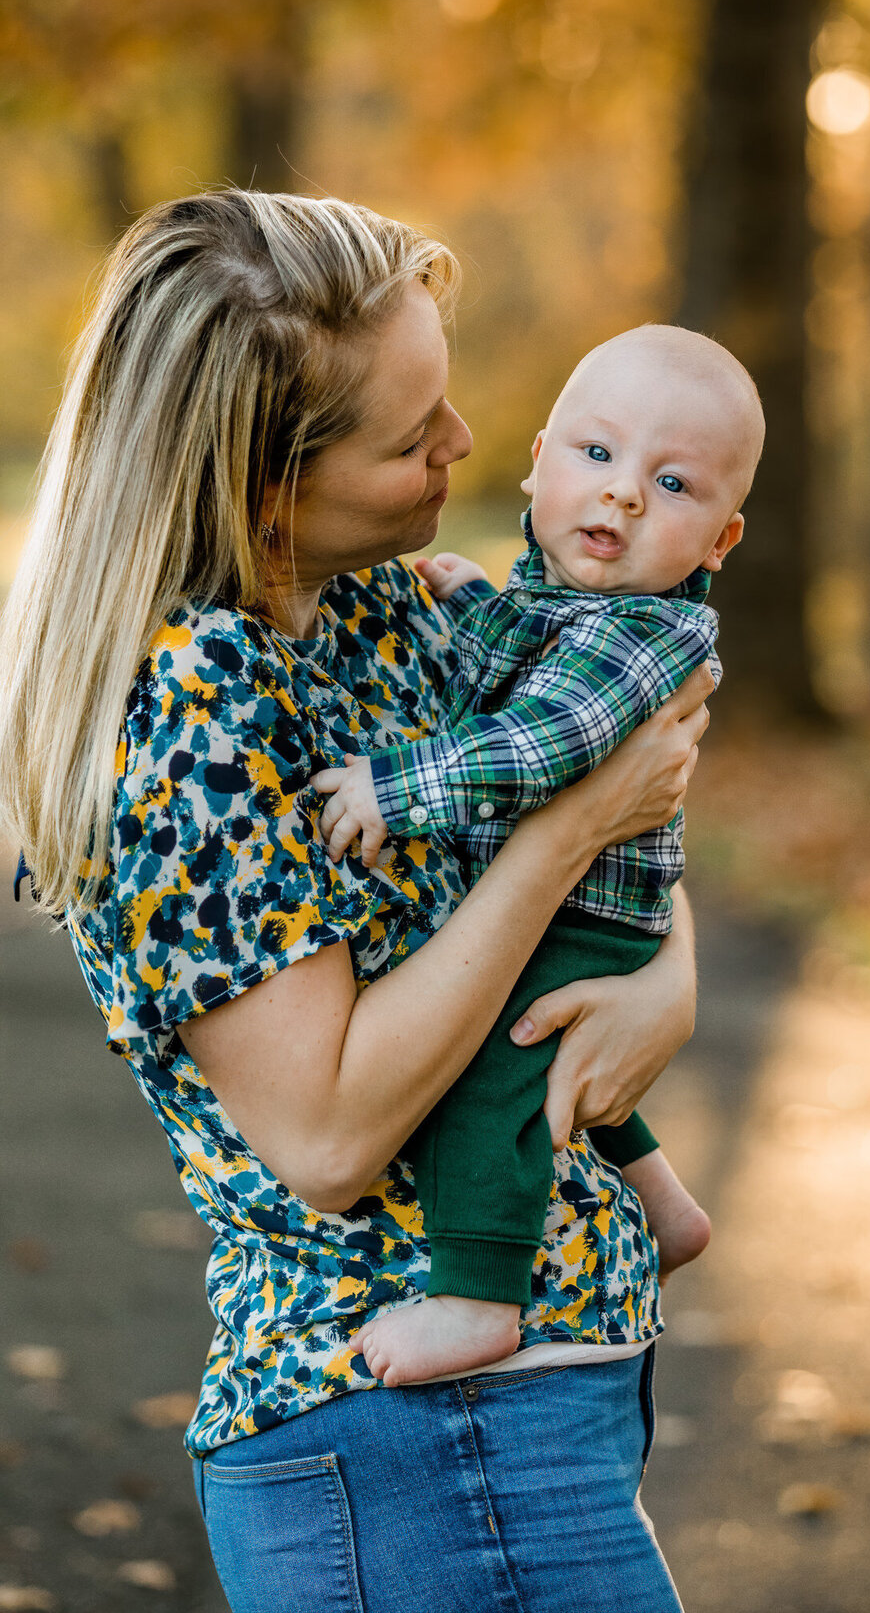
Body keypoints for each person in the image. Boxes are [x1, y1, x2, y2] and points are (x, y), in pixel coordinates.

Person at [0, 190, 714, 1613]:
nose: (461, 444)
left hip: (537, 1398)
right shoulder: (190, 721)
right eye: (410, 435)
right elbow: (323, 1134)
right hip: (405, 1431)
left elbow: (637, 801)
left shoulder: (380, 608)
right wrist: (568, 831)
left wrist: (665, 981)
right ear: (266, 485)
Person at [314, 324, 764, 1386]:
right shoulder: (576, 604)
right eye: (597, 456)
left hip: (584, 915)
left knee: (487, 1072)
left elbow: (540, 741)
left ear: (720, 543)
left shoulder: (644, 635)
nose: (622, 497)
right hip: (579, 901)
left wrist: (399, 786)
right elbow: (514, 665)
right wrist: (474, 598)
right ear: (538, 458)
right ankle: (665, 1201)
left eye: (673, 483)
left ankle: (478, 1296)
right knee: (554, 1059)